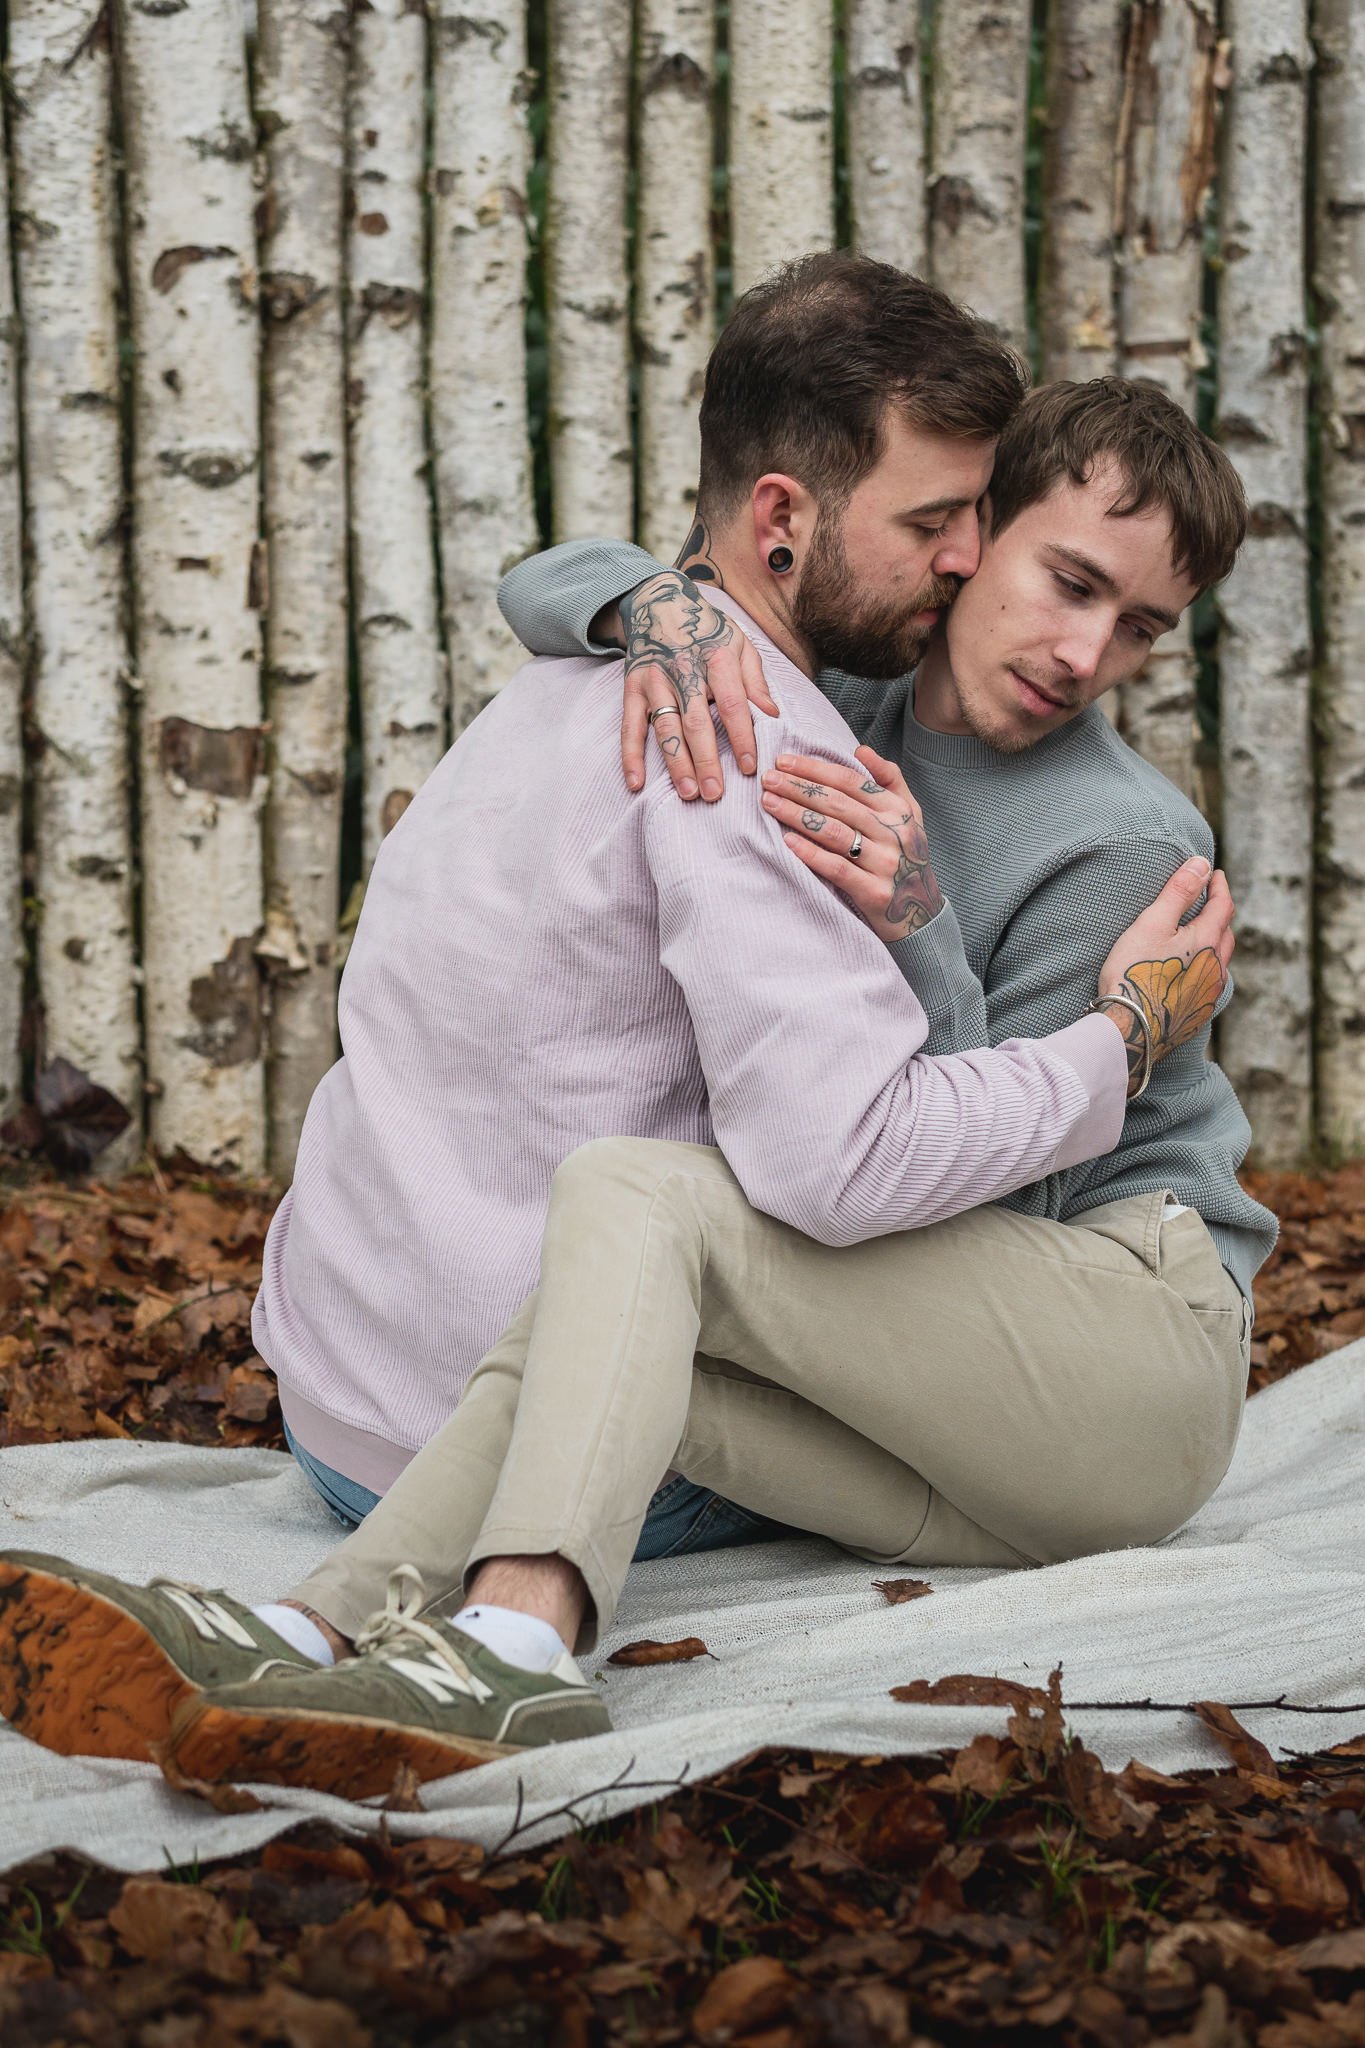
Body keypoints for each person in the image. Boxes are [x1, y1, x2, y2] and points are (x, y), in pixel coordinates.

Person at [0, 256, 1243, 1795]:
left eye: (1139, 630)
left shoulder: (1117, 846)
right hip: (966, 1431)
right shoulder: (815, 703)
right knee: (620, 1320)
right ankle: (305, 1637)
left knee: (639, 1197)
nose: (1085, 654)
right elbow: (588, 584)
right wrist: (646, 598)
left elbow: (987, 1208)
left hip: (1109, 1344)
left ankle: (519, 1652)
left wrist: (945, 943)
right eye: (1047, 573)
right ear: (972, 544)